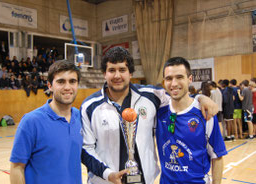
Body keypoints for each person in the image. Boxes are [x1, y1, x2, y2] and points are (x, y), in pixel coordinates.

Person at [80, 47, 219, 184]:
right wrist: (108, 174)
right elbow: (85, 149)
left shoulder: (151, 96)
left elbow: (178, 94)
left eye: (122, 70)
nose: (117, 76)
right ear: (104, 73)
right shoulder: (90, 107)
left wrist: (200, 98)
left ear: (130, 74)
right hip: (105, 181)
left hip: (144, 180)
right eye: (111, 70)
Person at [10, 60, 112, 184]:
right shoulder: (31, 121)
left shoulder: (81, 117)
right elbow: (17, 168)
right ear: (49, 85)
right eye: (61, 82)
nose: (67, 87)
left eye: (72, 81)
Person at [156, 57, 227, 184]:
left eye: (179, 77)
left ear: (190, 79)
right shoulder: (159, 111)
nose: (173, 83)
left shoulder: (205, 114)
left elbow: (217, 156)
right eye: (169, 78)